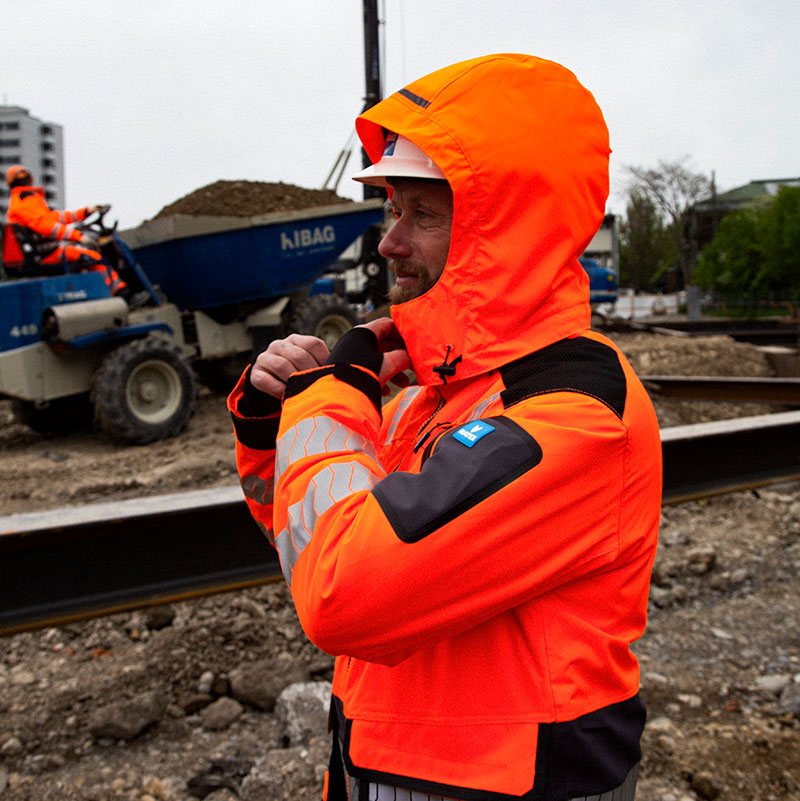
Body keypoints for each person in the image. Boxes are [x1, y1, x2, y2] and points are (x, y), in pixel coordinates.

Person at [228, 53, 662, 801]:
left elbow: (342, 590)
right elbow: (308, 541)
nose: (389, 242)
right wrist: (272, 428)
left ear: (507, 230)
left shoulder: (573, 412)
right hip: (389, 774)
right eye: (393, 211)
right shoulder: (439, 399)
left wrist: (327, 399)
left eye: (421, 214)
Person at [3, 164, 127, 296]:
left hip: (47, 252)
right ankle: (121, 292)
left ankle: (108, 292)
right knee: (92, 257)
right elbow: (48, 227)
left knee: (86, 258)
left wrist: (86, 212)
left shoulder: (26, 199)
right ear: (30, 179)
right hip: (48, 255)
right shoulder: (25, 200)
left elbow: (56, 217)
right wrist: (78, 236)